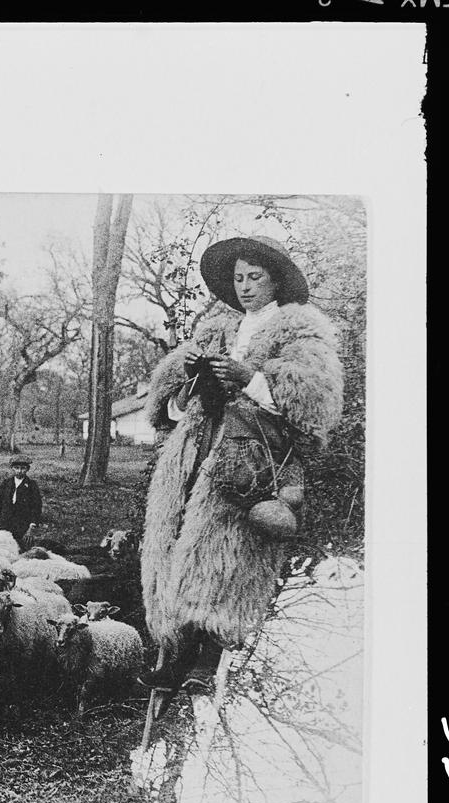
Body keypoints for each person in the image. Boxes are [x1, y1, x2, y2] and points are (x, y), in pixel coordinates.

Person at [139, 235, 344, 691]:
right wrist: (187, 375)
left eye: (255, 277)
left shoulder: (300, 331)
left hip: (250, 459)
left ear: (276, 282)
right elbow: (169, 410)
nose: (246, 287)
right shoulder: (215, 330)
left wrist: (250, 379)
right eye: (238, 279)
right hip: (195, 451)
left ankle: (206, 654)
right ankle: (173, 650)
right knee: (174, 539)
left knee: (227, 551)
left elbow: (313, 404)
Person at [0, 454, 43, 544]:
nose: (20, 471)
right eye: (17, 468)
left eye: (23, 468)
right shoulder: (6, 484)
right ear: (12, 468)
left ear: (27, 469)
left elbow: (36, 507)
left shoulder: (31, 485)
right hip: (5, 524)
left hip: (22, 526)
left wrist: (31, 527)